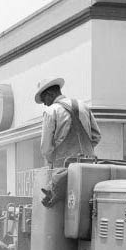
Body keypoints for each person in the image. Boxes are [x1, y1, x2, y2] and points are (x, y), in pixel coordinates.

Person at [34, 77, 102, 207]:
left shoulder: (51, 111)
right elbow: (97, 136)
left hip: (62, 171)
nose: (45, 104)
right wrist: (85, 150)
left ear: (50, 94)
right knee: (88, 204)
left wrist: (53, 161)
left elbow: (46, 148)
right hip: (89, 168)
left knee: (63, 209)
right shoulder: (83, 106)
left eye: (44, 100)